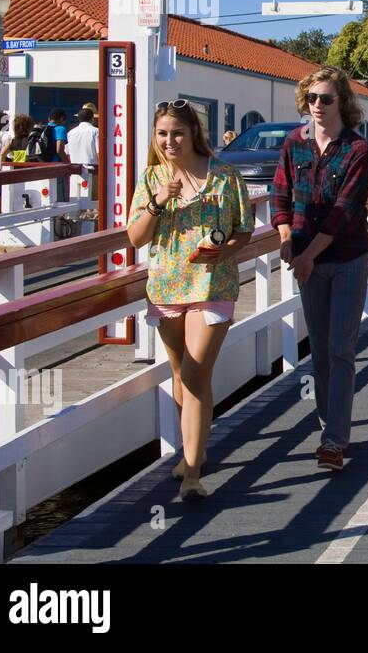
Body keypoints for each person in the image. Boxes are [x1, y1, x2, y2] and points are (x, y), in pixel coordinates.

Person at [126, 100, 253, 501]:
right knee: (181, 377)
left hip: (211, 286)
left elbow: (243, 230)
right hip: (166, 288)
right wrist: (159, 200)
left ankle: (193, 475)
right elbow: (136, 238)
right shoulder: (151, 179)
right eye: (162, 134)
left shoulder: (226, 177)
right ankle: (188, 452)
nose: (169, 141)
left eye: (177, 133)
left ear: (193, 132)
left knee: (197, 376)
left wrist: (224, 249)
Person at [270, 67, 368, 472]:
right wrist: (284, 237)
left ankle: (334, 440)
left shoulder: (358, 150)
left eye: (326, 99)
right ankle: (330, 424)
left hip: (344, 258)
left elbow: (343, 213)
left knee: (340, 348)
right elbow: (281, 193)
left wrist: (309, 255)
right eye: (312, 98)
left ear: (341, 102)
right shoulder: (293, 143)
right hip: (304, 258)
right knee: (320, 352)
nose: (317, 105)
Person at [67, 106, 99, 213]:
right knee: (93, 206)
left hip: (75, 171)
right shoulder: (95, 131)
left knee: (76, 203)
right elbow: (99, 152)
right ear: (92, 119)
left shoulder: (71, 133)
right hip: (93, 170)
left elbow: (68, 152)